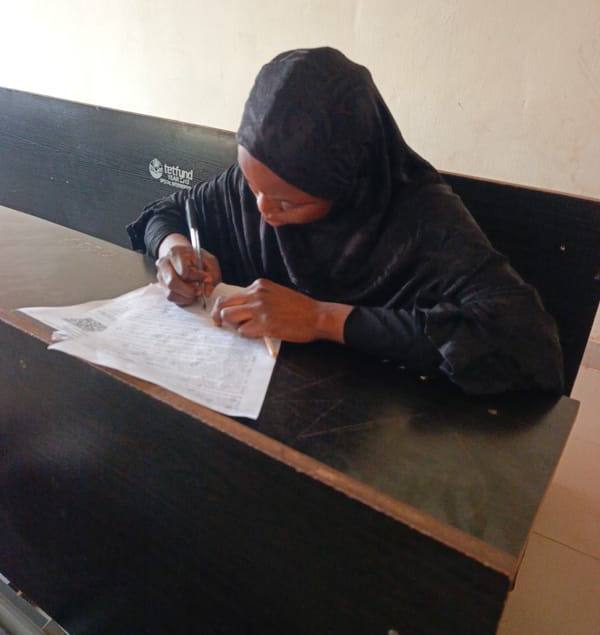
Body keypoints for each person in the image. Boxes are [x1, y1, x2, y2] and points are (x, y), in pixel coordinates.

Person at [127, 47, 564, 395]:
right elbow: (167, 212)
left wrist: (321, 318)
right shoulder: (258, 181)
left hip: (385, 431)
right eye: (251, 183)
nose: (261, 208)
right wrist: (175, 249)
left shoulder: (422, 219)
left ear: (349, 182)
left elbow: (523, 338)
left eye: (285, 202)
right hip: (254, 405)